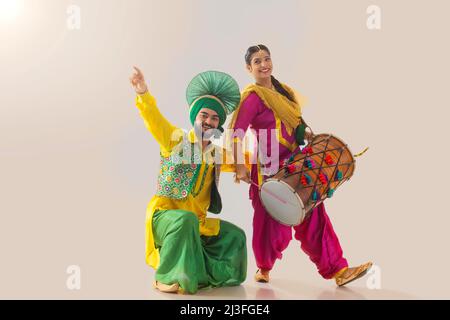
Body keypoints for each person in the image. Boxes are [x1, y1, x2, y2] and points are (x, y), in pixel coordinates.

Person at [229, 45, 372, 287]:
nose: (264, 64)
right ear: (248, 68)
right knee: (267, 221)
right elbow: (237, 131)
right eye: (257, 61)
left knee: (314, 213)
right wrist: (239, 165)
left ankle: (338, 269)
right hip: (268, 166)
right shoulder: (252, 97)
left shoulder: (283, 91)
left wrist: (304, 130)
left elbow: (294, 123)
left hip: (296, 163)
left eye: (267, 58)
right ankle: (264, 266)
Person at [130, 67, 247, 294]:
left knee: (235, 235)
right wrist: (143, 92)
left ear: (218, 125)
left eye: (214, 118)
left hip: (197, 222)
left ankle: (208, 276)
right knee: (185, 221)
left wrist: (247, 166)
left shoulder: (217, 154)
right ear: (195, 117)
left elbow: (244, 161)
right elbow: (154, 120)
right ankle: (165, 276)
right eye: (204, 115)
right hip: (165, 217)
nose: (208, 121)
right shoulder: (175, 140)